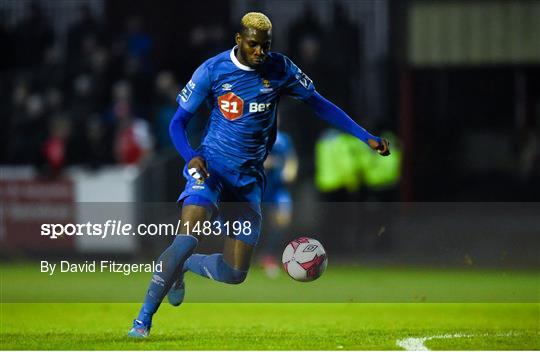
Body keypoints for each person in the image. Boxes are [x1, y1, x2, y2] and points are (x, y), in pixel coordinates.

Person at [128, 12, 389, 338]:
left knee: (234, 273)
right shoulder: (213, 70)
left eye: (265, 46)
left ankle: (181, 266)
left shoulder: (280, 68)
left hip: (248, 181)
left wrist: (365, 136)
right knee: (186, 236)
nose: (259, 52)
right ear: (239, 40)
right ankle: (142, 321)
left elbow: (320, 104)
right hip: (211, 169)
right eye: (253, 45)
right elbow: (176, 123)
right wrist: (191, 157)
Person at [259, 130, 298, 278]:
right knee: (258, 226)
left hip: (278, 188)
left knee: (283, 220)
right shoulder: (255, 134)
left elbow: (291, 158)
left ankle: (270, 256)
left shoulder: (284, 138)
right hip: (260, 188)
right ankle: (247, 257)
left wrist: (291, 170)